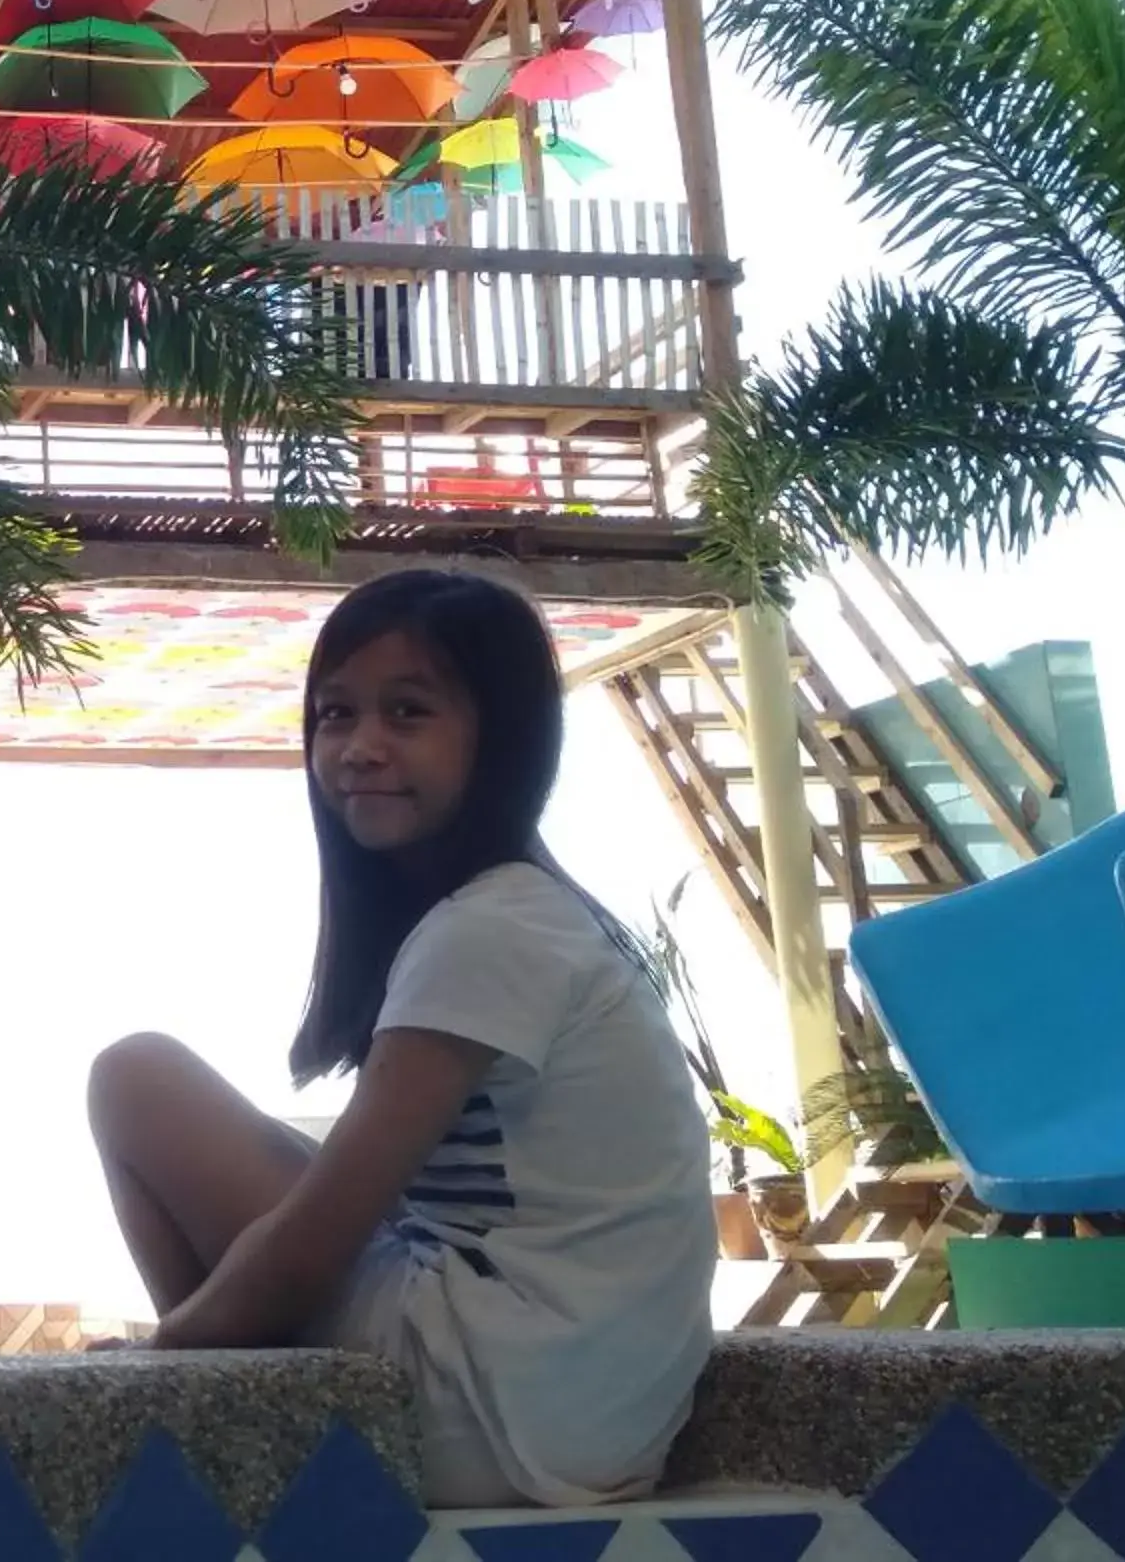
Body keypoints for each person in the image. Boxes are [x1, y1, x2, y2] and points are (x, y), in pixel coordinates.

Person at [87, 566, 715, 1507]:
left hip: (495, 1406)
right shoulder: (530, 915)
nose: (361, 748)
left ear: (500, 739)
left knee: (135, 1079)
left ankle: (199, 1400)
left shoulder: (488, 930)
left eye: (408, 713)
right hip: (578, 1416)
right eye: (336, 715)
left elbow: (316, 1237)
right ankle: (211, 1389)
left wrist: (155, 1362)